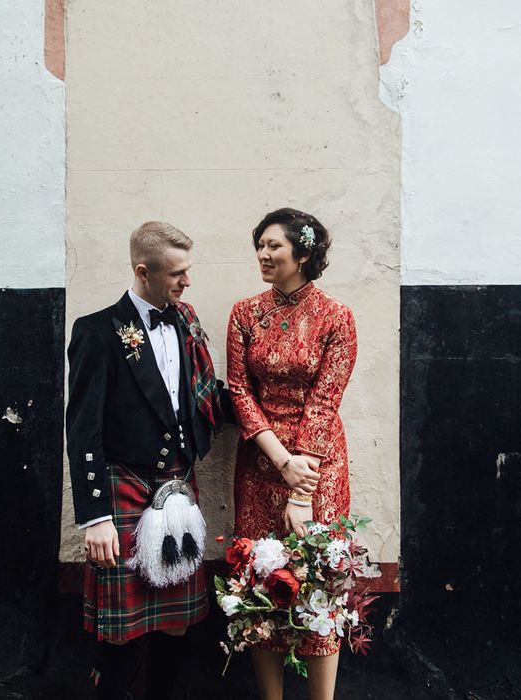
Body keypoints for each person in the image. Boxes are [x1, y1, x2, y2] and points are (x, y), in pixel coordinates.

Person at [66, 221, 223, 700]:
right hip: (123, 490)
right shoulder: (97, 331)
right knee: (122, 629)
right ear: (143, 271)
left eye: (186, 271)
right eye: (177, 273)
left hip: (179, 489)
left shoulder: (184, 321)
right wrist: (95, 517)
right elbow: (83, 427)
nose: (186, 282)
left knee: (177, 623)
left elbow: (202, 395)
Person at [226, 208, 358, 700]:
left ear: (303, 252)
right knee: (261, 579)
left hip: (319, 463)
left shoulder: (337, 317)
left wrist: (301, 485)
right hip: (261, 460)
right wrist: (280, 459)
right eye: (259, 244)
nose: (263, 253)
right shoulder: (244, 312)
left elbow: (326, 400)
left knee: (316, 577)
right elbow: (239, 391)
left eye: (274, 246)